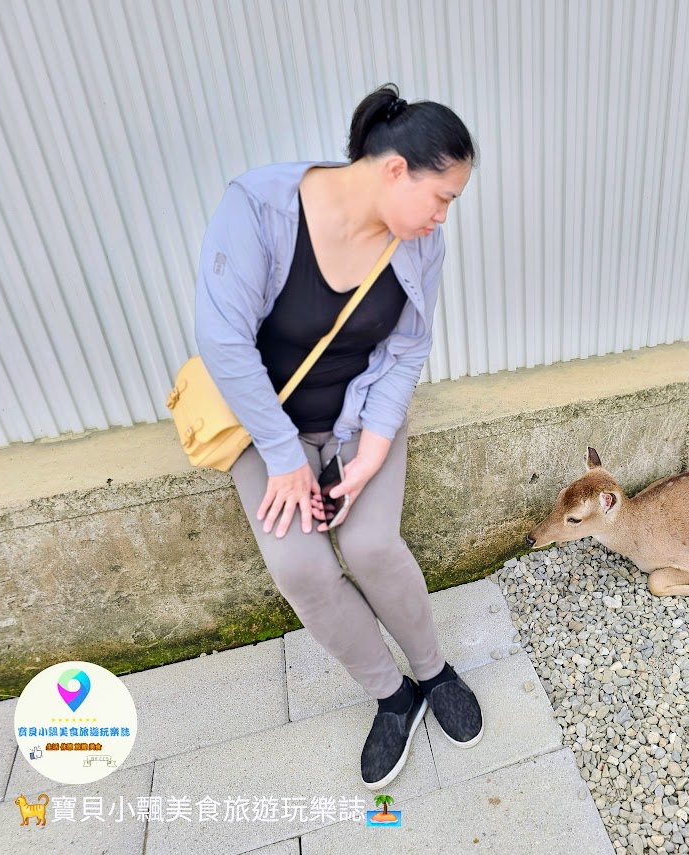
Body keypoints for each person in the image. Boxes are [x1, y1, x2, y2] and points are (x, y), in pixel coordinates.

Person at [194, 83, 481, 790]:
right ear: (393, 170)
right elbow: (222, 340)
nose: (445, 215)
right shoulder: (260, 208)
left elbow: (410, 348)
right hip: (268, 425)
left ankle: (433, 668)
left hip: (360, 415)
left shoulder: (421, 244)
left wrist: (375, 446)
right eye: (442, 195)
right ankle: (392, 694)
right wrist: (287, 459)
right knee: (302, 568)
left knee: (371, 543)